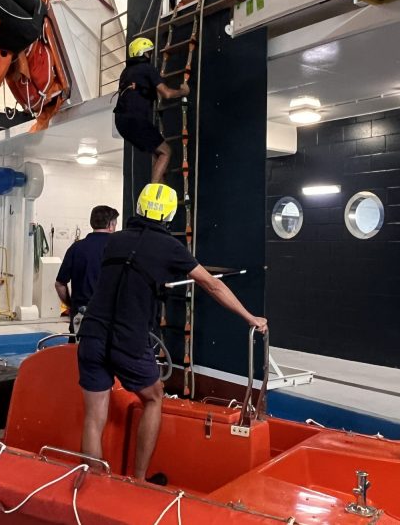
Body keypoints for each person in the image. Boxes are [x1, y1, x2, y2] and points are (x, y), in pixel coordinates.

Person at [76, 183, 267, 482]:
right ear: (169, 216)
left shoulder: (115, 241)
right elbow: (212, 285)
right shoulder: (171, 248)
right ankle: (139, 480)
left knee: (94, 415)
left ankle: (92, 484)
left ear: (139, 207)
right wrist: (249, 317)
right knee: (154, 398)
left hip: (92, 334)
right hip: (129, 338)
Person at [113, 38, 189, 184]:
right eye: (149, 52)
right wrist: (182, 92)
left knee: (157, 152)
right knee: (166, 152)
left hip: (121, 122)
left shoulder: (126, 72)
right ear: (144, 53)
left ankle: (160, 187)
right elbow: (166, 93)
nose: (151, 55)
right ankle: (154, 190)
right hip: (136, 120)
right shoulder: (147, 68)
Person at [55, 205, 120, 338]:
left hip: (80, 316)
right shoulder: (119, 248)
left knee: (77, 349)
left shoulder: (76, 248)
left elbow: (59, 284)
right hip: (110, 318)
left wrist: (71, 304)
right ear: (111, 225)